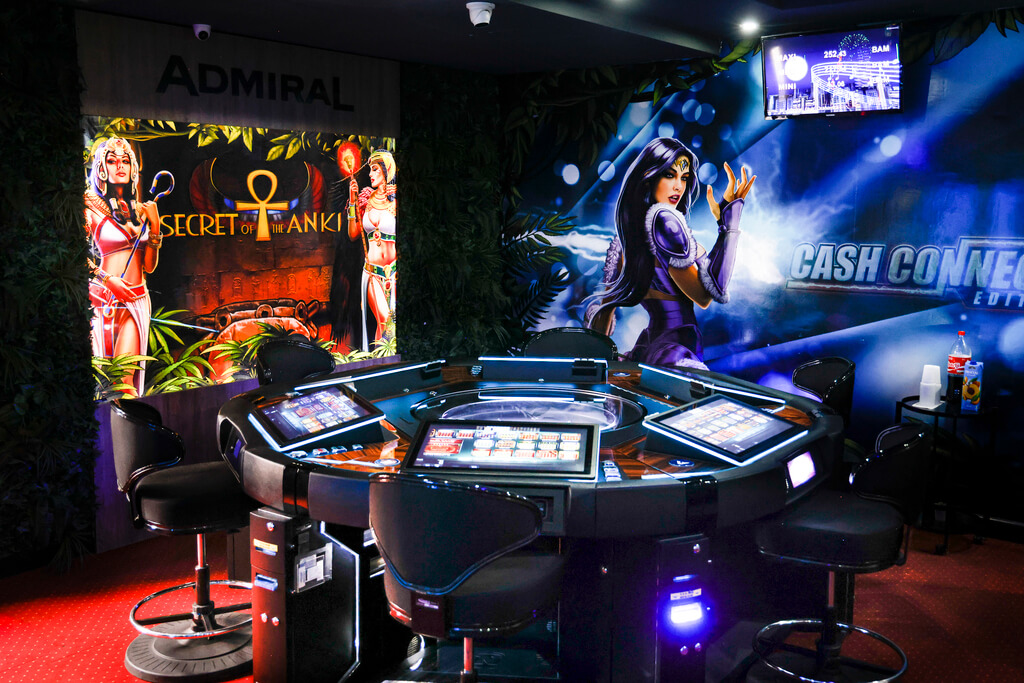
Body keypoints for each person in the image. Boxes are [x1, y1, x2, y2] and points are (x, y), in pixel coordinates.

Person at [584, 137, 755, 369]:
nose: (678, 187)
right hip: (675, 346)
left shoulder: (624, 241)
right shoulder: (666, 223)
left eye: (684, 178)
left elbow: (603, 319)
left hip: (650, 346)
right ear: (649, 177)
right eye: (669, 175)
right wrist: (730, 222)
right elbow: (705, 295)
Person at [85, 137, 161, 397]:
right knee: (105, 378)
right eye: (112, 160)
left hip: (136, 299)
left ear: (133, 168)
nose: (119, 166)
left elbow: (149, 266)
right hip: (105, 298)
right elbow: (75, 255)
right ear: (102, 168)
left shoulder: (141, 210)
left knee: (125, 381)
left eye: (125, 161)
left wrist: (155, 227)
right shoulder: (90, 205)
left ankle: (129, 422)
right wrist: (107, 280)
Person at [347, 149, 397, 350]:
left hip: (394, 273)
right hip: (372, 273)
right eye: (370, 170)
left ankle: (383, 362)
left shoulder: (396, 200)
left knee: (386, 328)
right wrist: (352, 201)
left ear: (387, 170)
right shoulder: (366, 199)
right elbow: (353, 233)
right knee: (386, 321)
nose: (370, 174)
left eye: (375, 169)